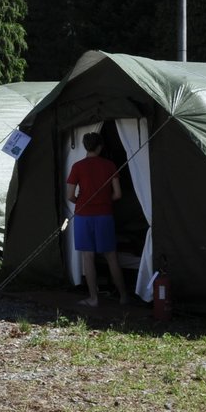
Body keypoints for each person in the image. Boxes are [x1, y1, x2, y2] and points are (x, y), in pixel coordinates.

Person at [66, 132, 131, 308]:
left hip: (83, 216)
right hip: (105, 215)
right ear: (100, 146)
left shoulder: (77, 166)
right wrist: (104, 200)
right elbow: (118, 194)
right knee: (111, 256)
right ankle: (124, 296)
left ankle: (93, 298)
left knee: (88, 257)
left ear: (85, 146)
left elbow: (70, 195)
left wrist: (82, 201)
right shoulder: (110, 165)